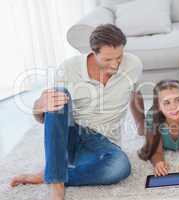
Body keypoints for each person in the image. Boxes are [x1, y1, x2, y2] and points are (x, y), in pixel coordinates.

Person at [10, 24, 144, 199]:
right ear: (92, 52)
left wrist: (141, 125)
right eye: (107, 60)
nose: (115, 64)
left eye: (119, 57)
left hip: (103, 142)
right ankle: (56, 183)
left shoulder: (133, 65)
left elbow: (135, 93)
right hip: (71, 134)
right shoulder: (69, 68)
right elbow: (47, 117)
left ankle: (51, 174)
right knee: (58, 94)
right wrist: (39, 105)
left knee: (119, 167)